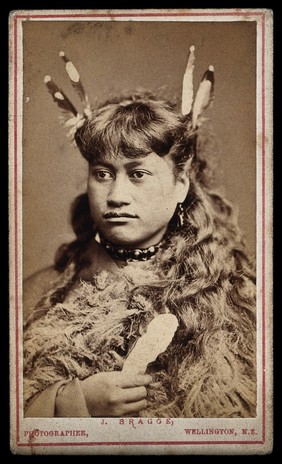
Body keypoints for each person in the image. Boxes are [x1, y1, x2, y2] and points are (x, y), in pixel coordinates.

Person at [23, 47, 256, 418]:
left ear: (181, 184)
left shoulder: (237, 295)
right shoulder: (40, 294)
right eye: (102, 174)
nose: (116, 196)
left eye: (138, 174)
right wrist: (71, 400)